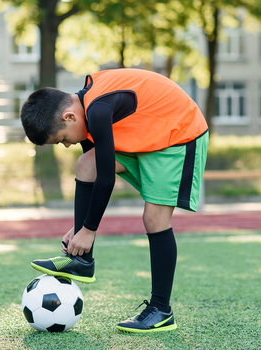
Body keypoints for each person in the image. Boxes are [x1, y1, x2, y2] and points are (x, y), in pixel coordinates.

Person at [20, 68, 209, 333]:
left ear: (69, 116)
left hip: (179, 134)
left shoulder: (97, 111)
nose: (66, 145)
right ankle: (82, 261)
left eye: (62, 139)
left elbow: (107, 178)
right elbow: (96, 171)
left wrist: (89, 230)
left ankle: (161, 309)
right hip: (150, 134)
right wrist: (80, 229)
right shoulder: (86, 110)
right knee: (86, 165)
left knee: (154, 219)